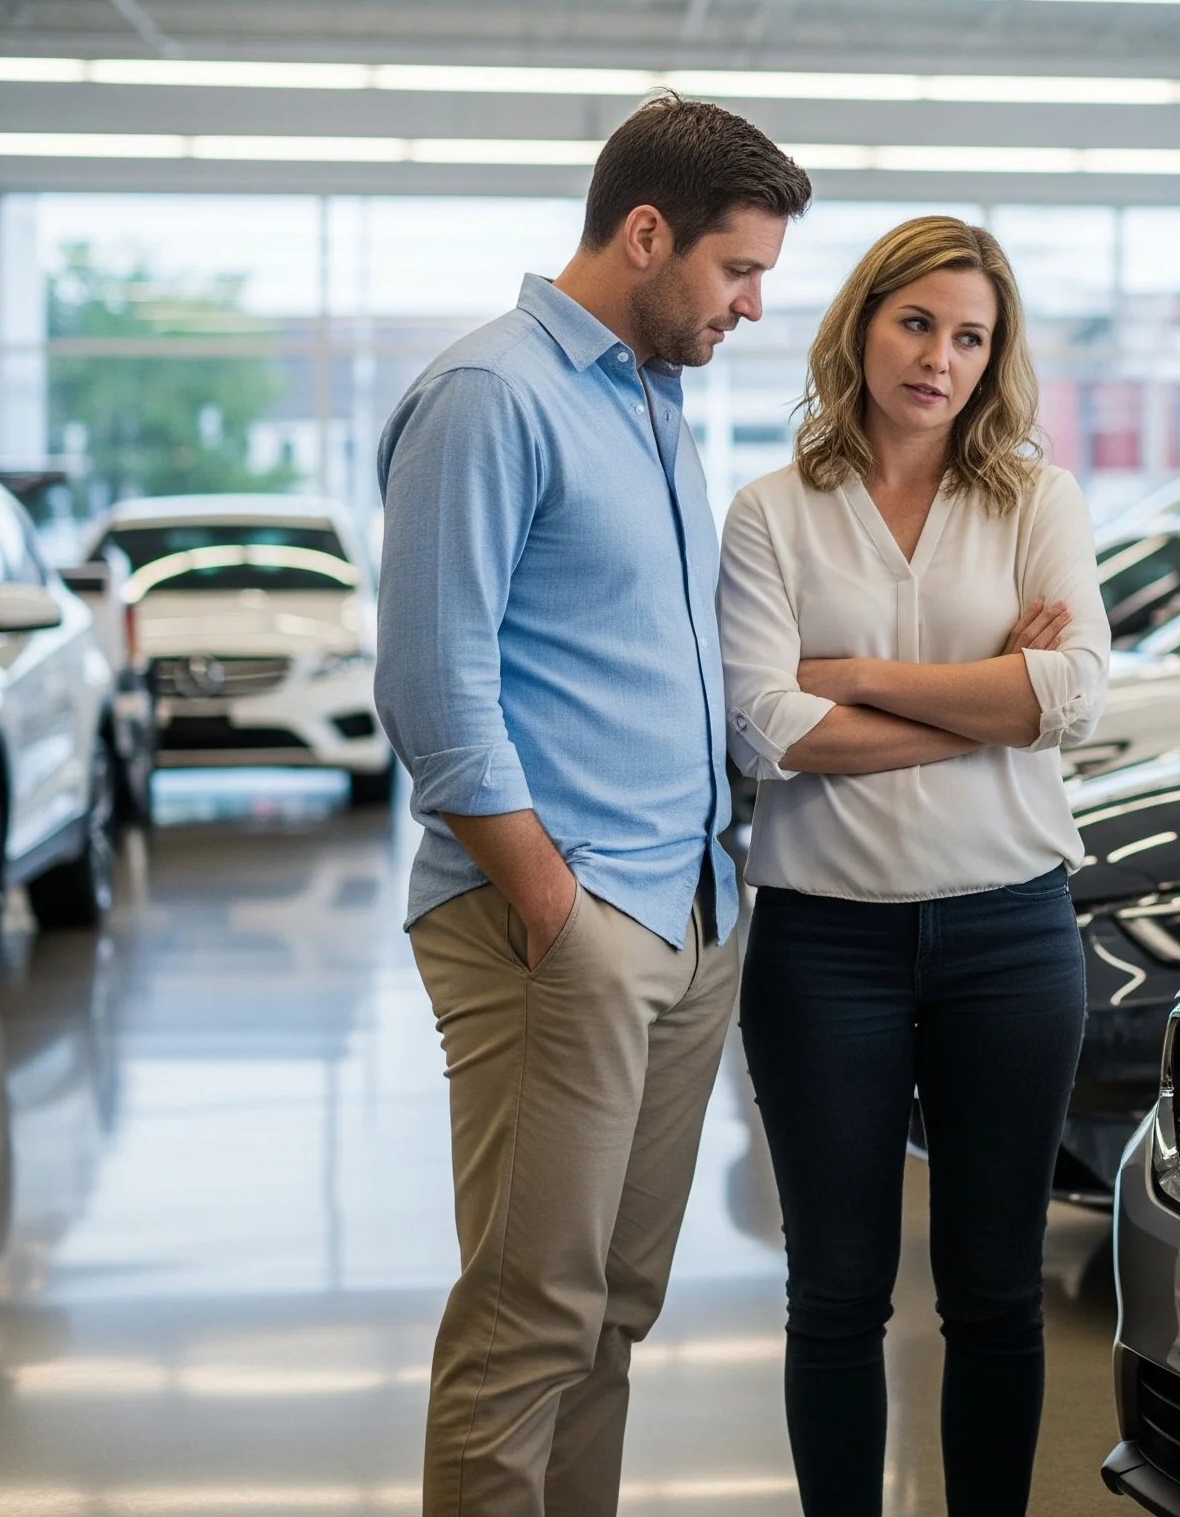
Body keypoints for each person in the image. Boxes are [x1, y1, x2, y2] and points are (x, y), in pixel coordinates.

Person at [374, 93, 812, 1517]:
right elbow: (434, 684)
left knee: (612, 1313)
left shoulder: (646, 399)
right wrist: (553, 905)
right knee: (528, 1321)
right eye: (736, 269)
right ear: (644, 234)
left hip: (682, 908)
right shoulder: (493, 393)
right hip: (559, 918)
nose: (751, 305)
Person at [717, 214, 1108, 1517]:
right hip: (825, 945)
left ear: (996, 360)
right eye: (917, 322)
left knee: (996, 1292)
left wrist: (863, 681)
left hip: (1012, 933)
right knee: (834, 1292)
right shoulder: (771, 514)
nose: (940, 356)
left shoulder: (1035, 501)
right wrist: (981, 697)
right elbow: (770, 726)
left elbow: (1069, 698)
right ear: (864, 325)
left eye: (970, 336)